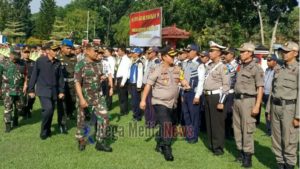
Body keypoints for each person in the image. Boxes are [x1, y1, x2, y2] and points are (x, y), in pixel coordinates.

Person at [140, 47, 184, 161]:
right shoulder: (157, 69)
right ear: (164, 57)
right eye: (171, 56)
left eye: (174, 55)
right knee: (167, 124)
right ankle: (166, 148)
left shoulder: (177, 68)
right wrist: (143, 100)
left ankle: (159, 144)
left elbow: (182, 79)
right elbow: (148, 85)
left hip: (173, 103)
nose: (173, 57)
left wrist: (185, 83)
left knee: (168, 124)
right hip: (159, 102)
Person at [267, 41, 299, 169]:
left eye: (287, 51)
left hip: (289, 109)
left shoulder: (298, 70)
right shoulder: (279, 69)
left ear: (295, 53)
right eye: (283, 51)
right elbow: (273, 91)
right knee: (276, 138)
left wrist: (298, 116)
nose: (283, 54)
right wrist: (268, 110)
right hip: (275, 107)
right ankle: (280, 164)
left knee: (289, 139)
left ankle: (289, 164)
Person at [74, 44, 112, 152]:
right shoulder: (80, 64)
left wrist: (102, 78)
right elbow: (77, 83)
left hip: (98, 96)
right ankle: (81, 140)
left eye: (98, 51)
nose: (97, 53)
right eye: (95, 51)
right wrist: (81, 99)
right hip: (85, 97)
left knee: (104, 117)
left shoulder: (99, 63)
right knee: (82, 120)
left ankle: (100, 142)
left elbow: (98, 76)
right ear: (87, 51)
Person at [233, 42, 264, 168]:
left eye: (243, 51)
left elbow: (260, 87)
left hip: (248, 101)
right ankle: (240, 152)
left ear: (250, 53)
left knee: (247, 129)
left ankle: (248, 156)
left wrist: (257, 105)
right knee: (237, 128)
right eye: (240, 51)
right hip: (237, 100)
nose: (240, 53)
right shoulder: (241, 67)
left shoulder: (256, 68)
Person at [28, 43, 65, 140]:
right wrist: (31, 90)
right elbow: (34, 76)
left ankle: (48, 130)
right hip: (43, 90)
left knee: (51, 111)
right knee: (48, 109)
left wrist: (61, 91)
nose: (57, 51)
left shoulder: (58, 63)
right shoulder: (40, 61)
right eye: (54, 50)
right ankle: (43, 131)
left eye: (57, 50)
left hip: (54, 91)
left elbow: (60, 78)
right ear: (48, 51)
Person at [203, 41, 230, 156]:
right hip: (208, 95)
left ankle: (218, 147)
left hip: (216, 97)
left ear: (219, 53)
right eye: (210, 50)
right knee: (209, 121)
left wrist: (221, 101)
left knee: (217, 123)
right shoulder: (210, 65)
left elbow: (226, 85)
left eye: (212, 51)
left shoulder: (223, 67)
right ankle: (212, 145)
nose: (210, 53)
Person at [181, 44, 205, 143]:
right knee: (186, 114)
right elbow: (182, 77)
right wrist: (182, 92)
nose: (187, 53)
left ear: (195, 51)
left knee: (194, 116)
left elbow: (201, 81)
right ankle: (189, 134)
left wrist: (197, 95)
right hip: (185, 92)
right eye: (187, 51)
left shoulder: (200, 64)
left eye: (189, 51)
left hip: (193, 93)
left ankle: (193, 137)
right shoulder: (186, 63)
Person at [2, 50, 27, 132]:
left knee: (19, 107)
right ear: (10, 54)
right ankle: (8, 125)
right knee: (8, 107)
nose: (15, 57)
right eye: (14, 55)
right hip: (7, 89)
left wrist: (25, 85)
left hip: (19, 89)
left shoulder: (23, 63)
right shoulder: (3, 63)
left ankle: (16, 119)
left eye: (17, 55)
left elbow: (26, 75)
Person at [57, 39, 76, 133]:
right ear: (62, 47)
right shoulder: (57, 58)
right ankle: (62, 124)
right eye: (67, 48)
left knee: (72, 102)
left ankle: (70, 114)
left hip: (72, 85)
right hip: (62, 85)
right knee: (62, 105)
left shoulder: (74, 57)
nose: (69, 50)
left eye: (70, 48)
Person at [223, 47, 238, 139]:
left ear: (232, 55)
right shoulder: (224, 64)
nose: (224, 55)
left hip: (232, 92)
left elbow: (234, 78)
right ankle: (225, 131)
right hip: (224, 91)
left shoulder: (236, 65)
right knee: (224, 112)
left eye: (227, 54)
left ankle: (229, 132)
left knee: (230, 113)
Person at [143, 47, 160, 127]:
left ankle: (152, 122)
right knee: (147, 103)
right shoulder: (150, 61)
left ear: (154, 53)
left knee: (151, 104)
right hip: (147, 85)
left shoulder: (157, 62)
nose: (147, 54)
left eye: (149, 53)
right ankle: (148, 120)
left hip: (152, 86)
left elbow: (155, 76)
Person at [262, 54, 278, 136]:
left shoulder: (278, 70)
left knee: (272, 113)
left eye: (269, 60)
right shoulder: (267, 69)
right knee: (266, 112)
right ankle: (269, 130)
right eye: (267, 60)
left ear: (275, 61)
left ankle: (273, 131)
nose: (267, 62)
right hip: (265, 93)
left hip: (272, 94)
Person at [128, 48, 144, 121]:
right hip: (132, 83)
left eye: (133, 52)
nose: (132, 54)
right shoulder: (133, 61)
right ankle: (135, 114)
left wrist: (138, 86)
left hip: (136, 85)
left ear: (137, 53)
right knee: (133, 101)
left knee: (136, 101)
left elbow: (140, 75)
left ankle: (138, 116)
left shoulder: (139, 63)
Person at [115, 47, 131, 116]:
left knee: (123, 96)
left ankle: (125, 111)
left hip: (123, 79)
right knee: (120, 96)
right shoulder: (120, 59)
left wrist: (123, 82)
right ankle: (122, 110)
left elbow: (126, 72)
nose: (118, 52)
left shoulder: (126, 60)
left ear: (123, 51)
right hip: (119, 78)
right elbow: (118, 70)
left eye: (119, 51)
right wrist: (116, 80)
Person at [22, 46, 36, 118]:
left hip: (31, 82)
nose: (27, 54)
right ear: (22, 52)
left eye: (28, 53)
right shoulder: (20, 62)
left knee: (32, 97)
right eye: (25, 52)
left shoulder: (33, 63)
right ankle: (24, 111)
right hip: (22, 82)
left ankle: (27, 109)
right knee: (23, 99)